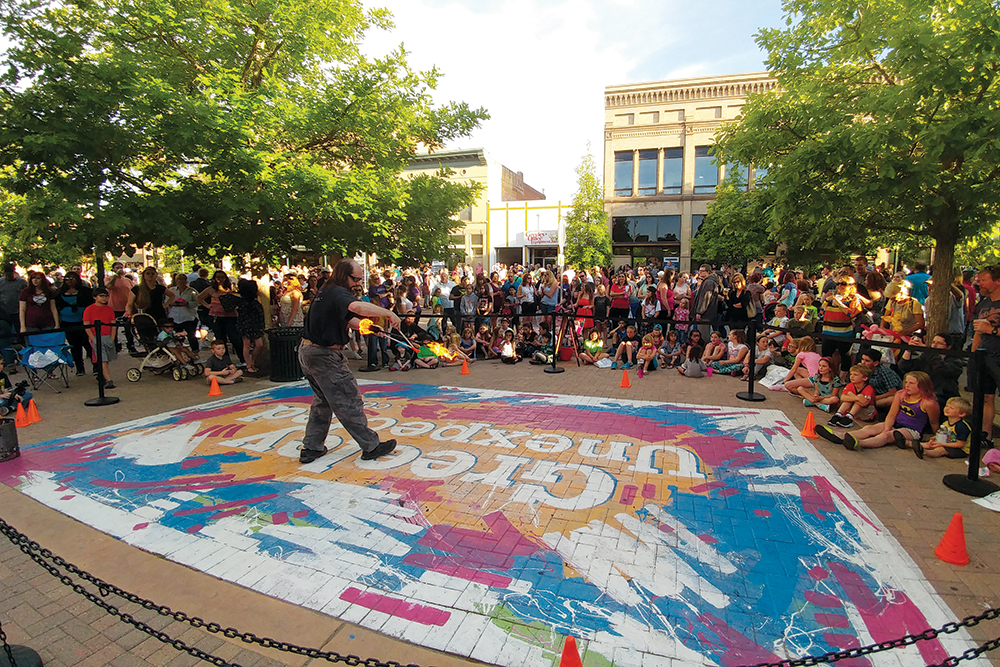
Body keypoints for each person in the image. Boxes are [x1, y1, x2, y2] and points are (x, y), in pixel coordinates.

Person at [297, 259, 400, 464]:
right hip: (324, 355)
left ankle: (312, 446)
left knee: (323, 402)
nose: (357, 284)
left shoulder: (326, 291)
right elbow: (357, 307)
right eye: (354, 279)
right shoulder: (338, 292)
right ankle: (370, 445)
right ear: (343, 275)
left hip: (308, 351)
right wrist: (387, 313)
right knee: (348, 399)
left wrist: (368, 327)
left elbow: (346, 318)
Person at [842, 371, 939, 451]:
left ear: (922, 386)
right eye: (906, 382)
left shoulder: (928, 403)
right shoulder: (901, 394)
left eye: (911, 383)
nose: (907, 385)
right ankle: (842, 436)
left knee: (886, 436)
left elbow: (934, 422)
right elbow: (892, 415)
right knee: (870, 429)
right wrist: (887, 427)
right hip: (896, 423)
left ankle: (859, 443)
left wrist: (937, 437)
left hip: (912, 430)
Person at [969, 265, 1000, 445]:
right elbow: (978, 332)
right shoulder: (983, 304)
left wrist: (992, 329)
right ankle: (985, 436)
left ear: (997, 281)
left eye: (984, 280)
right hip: (984, 356)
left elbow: (986, 328)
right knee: (985, 396)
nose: (979, 283)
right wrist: (974, 356)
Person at [55, 271, 95, 376]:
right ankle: (79, 368)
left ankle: (95, 366)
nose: (69, 281)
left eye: (72, 279)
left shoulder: (86, 291)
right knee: (74, 346)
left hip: (84, 322)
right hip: (67, 323)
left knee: (88, 344)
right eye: (67, 279)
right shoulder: (59, 292)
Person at [83, 288, 118, 389]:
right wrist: (93, 337)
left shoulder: (109, 309)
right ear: (95, 297)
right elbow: (87, 325)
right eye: (101, 296)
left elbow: (113, 324)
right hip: (96, 336)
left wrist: (112, 337)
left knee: (107, 359)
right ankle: (108, 379)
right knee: (102, 359)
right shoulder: (89, 309)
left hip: (107, 336)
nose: (104, 298)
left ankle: (104, 376)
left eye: (105, 296)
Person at [236, 279, 265, 374]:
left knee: (259, 344)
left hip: (255, 323)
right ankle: (249, 365)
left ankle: (252, 361)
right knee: (246, 344)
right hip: (245, 323)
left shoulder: (255, 300)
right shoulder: (241, 301)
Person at [170, 273, 201, 354]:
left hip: (189, 316)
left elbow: (198, 302)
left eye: (183, 279)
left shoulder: (192, 291)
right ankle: (179, 353)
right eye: (179, 279)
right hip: (175, 316)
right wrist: (172, 303)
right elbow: (166, 301)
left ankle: (195, 353)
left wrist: (187, 303)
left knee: (191, 336)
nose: (181, 281)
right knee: (176, 336)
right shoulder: (172, 290)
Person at [692, 265, 723, 339]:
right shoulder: (708, 281)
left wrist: (700, 312)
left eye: (702, 271)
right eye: (699, 271)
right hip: (708, 312)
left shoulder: (709, 282)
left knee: (703, 334)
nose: (700, 273)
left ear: (708, 271)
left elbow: (706, 298)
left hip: (706, 314)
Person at [0, 264, 27, 332]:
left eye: (10, 274)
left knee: (18, 328)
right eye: (7, 275)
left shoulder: (22, 282)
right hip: (4, 311)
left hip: (17, 310)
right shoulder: (1, 281)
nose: (8, 276)